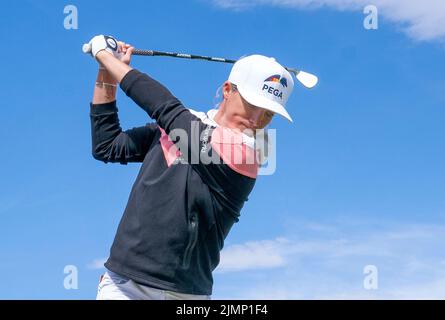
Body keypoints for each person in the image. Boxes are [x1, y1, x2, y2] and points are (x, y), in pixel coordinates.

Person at [86, 35, 294, 300]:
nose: (257, 119)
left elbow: (164, 107)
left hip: (186, 296)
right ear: (228, 89)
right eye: (253, 104)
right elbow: (108, 146)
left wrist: (104, 55)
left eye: (268, 113)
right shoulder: (179, 127)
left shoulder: (250, 153)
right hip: (124, 286)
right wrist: (106, 72)